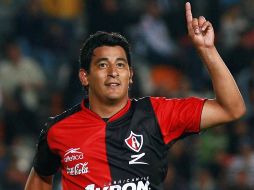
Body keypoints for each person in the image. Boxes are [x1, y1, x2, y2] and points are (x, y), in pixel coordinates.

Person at [25, 2, 246, 190]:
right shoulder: (58, 130)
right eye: (103, 64)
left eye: (120, 65)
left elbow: (232, 109)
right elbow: (41, 176)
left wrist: (207, 51)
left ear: (130, 75)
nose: (113, 72)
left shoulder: (157, 114)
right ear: (85, 77)